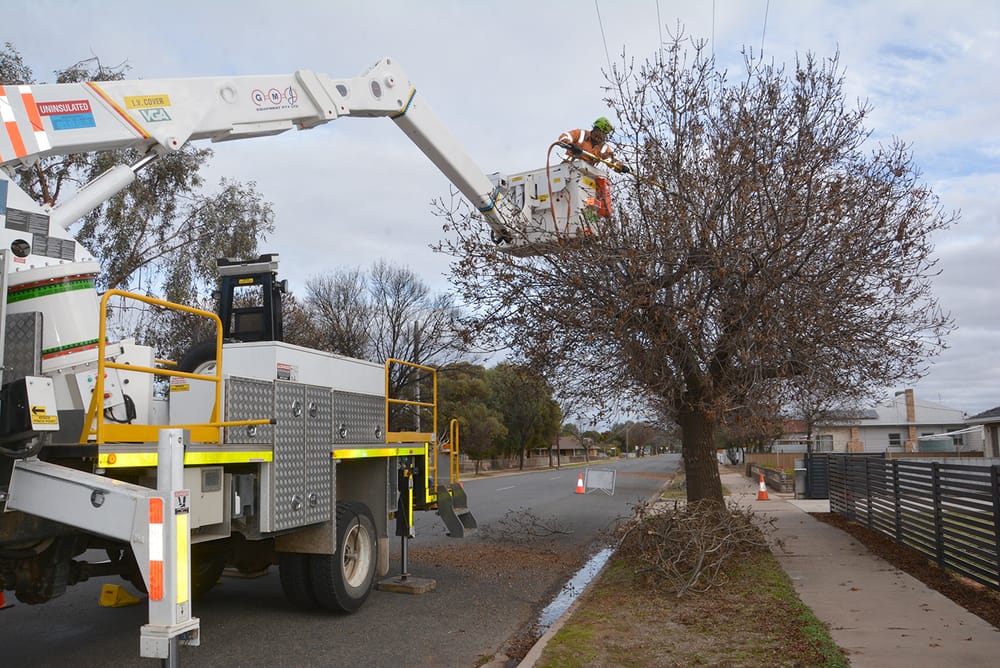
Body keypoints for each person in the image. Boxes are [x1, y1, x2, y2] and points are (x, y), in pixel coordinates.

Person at [557, 117, 630, 173]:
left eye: (604, 134)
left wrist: (621, 167)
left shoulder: (603, 148)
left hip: (586, 174)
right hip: (567, 169)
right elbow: (564, 136)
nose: (601, 136)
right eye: (599, 133)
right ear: (594, 129)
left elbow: (611, 161)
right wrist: (570, 145)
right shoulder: (581, 134)